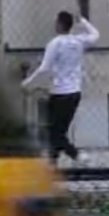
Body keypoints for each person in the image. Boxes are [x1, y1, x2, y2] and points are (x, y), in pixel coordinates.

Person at [20, 10, 99, 166]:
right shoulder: (79, 41)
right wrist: (83, 21)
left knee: (55, 132)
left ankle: (77, 155)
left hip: (59, 93)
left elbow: (44, 68)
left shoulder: (55, 43)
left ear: (60, 24)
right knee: (56, 131)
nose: (54, 24)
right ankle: (52, 161)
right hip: (74, 93)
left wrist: (27, 83)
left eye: (56, 21)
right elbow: (96, 34)